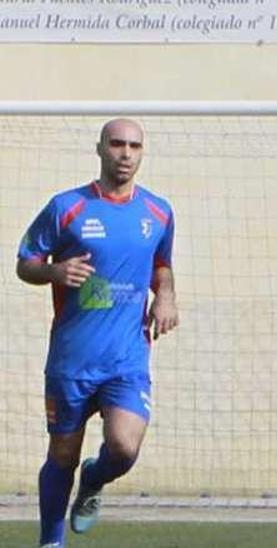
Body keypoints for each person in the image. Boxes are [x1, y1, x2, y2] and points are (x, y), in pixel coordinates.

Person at [16, 119, 178, 548]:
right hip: (72, 360)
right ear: (101, 149)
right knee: (62, 455)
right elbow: (25, 261)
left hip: (126, 359)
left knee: (124, 448)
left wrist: (166, 296)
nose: (126, 153)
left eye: (135, 146)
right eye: (117, 144)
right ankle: (51, 541)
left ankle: (94, 478)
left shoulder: (158, 212)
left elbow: (162, 264)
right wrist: (54, 270)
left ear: (143, 153)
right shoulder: (66, 207)